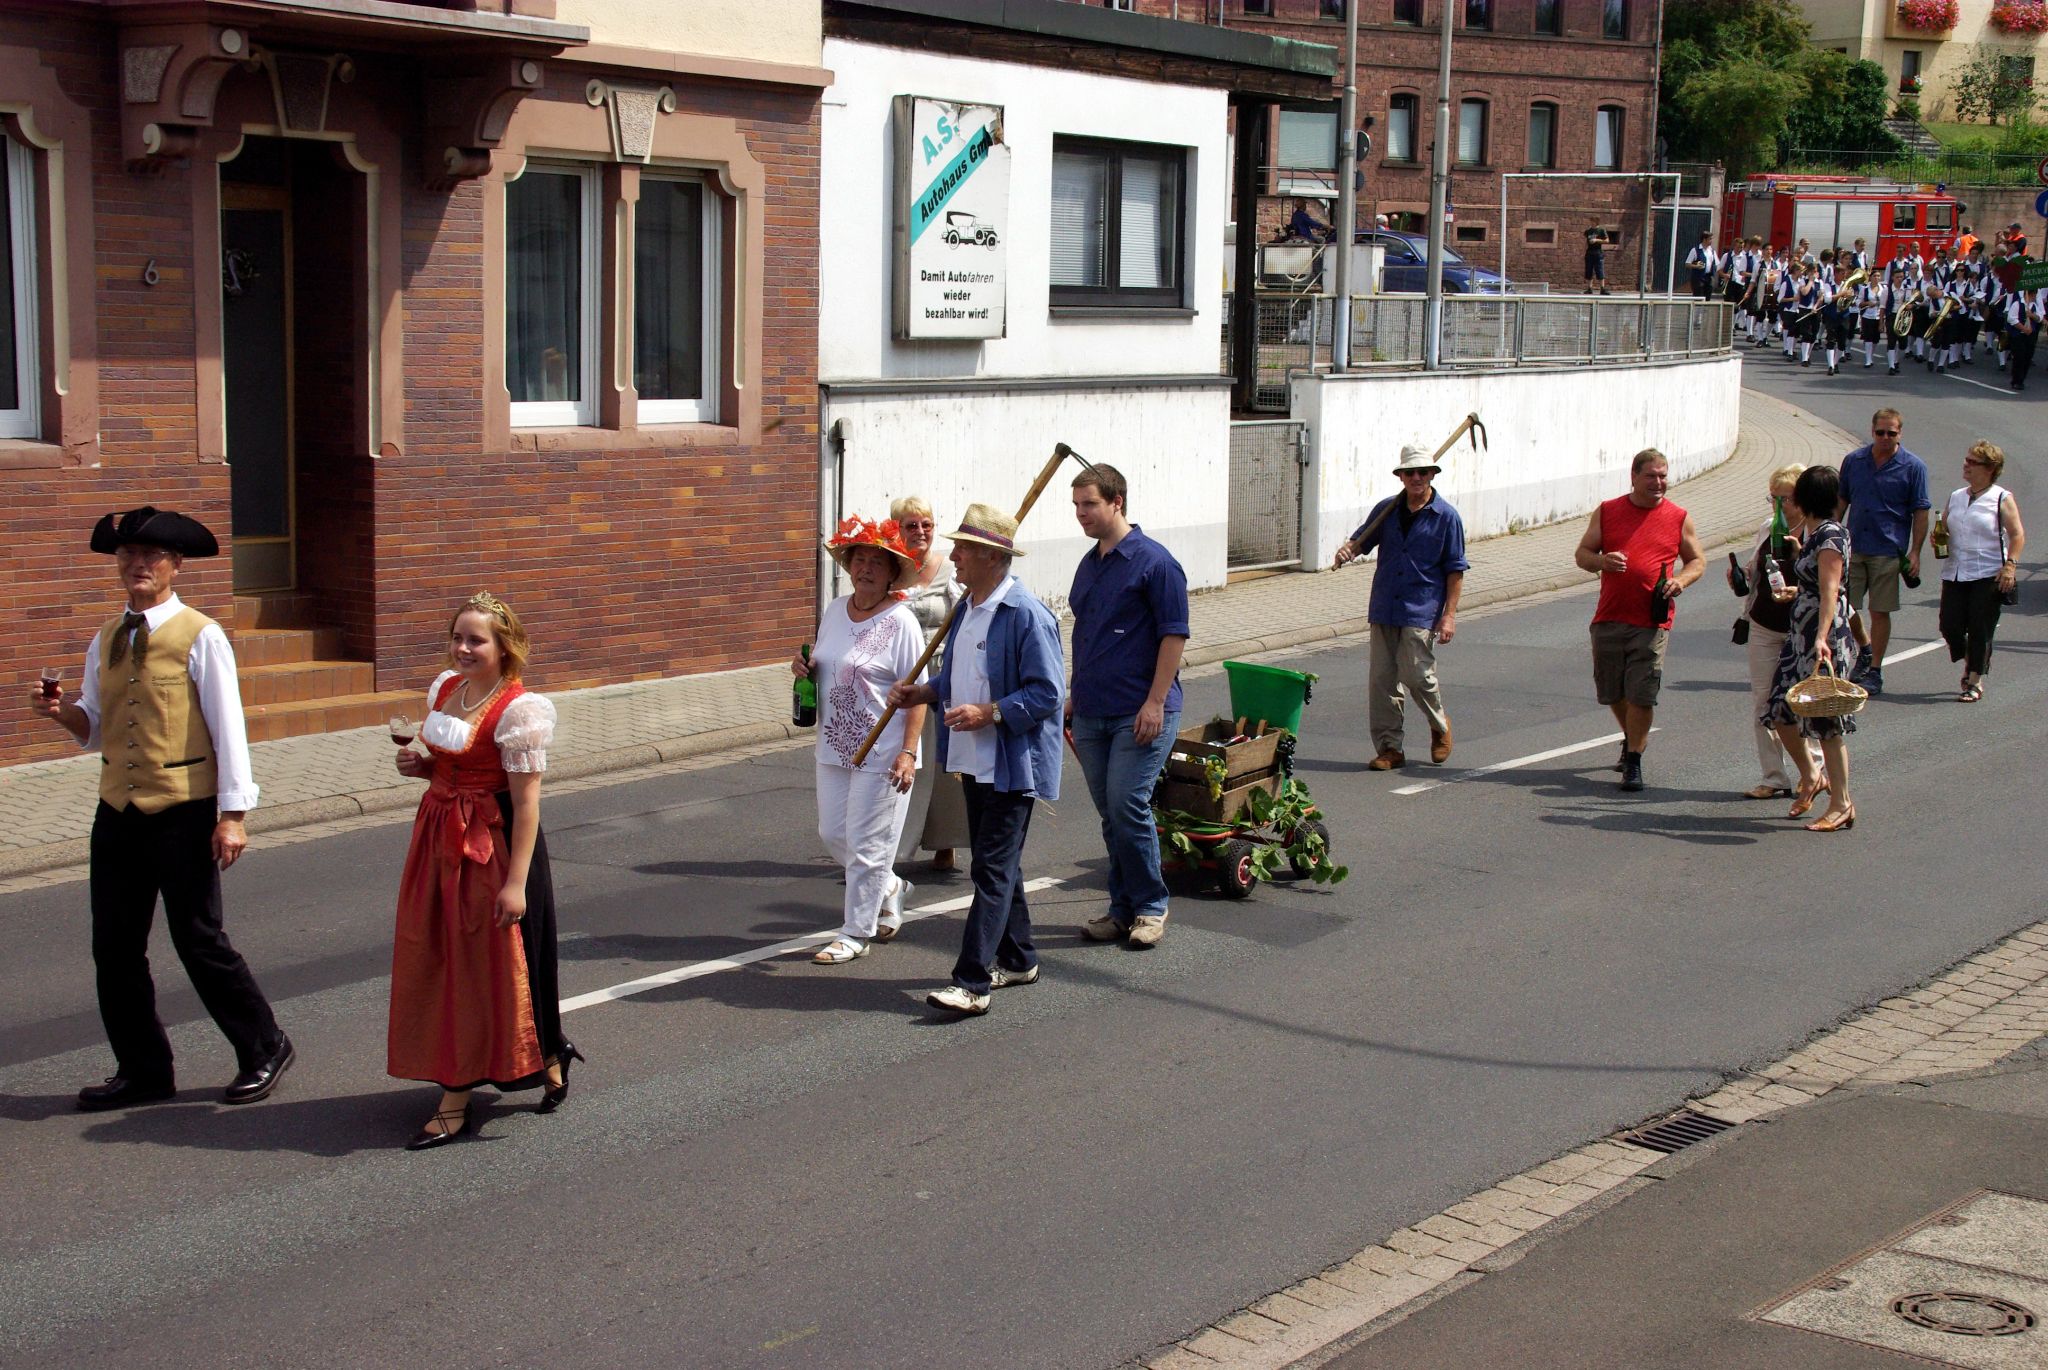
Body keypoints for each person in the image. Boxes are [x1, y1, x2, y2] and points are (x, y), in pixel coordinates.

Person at [32, 507, 293, 1112]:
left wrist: (234, 814)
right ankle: (144, 1069)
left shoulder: (200, 634)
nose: (138, 564)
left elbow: (229, 727)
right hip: (118, 810)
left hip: (184, 809)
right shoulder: (107, 635)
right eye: (128, 555)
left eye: (152, 556)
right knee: (115, 947)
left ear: (176, 565)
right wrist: (59, 713)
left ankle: (264, 1045)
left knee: (198, 938)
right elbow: (94, 726)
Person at [388, 592, 574, 1149]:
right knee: (439, 959)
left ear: (504, 647)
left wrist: (516, 884)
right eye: (459, 637)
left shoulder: (519, 711)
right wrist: (422, 768)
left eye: (477, 639)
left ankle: (456, 1097)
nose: (464, 648)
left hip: (489, 849)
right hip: (437, 839)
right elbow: (450, 768)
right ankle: (548, 1049)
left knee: (478, 969)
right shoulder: (447, 689)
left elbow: (527, 805)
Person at [887, 505, 1064, 1016]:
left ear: (990, 557)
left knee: (990, 869)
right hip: (972, 759)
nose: (954, 556)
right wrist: (924, 693)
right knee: (999, 864)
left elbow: (1048, 692)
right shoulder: (968, 606)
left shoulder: (1026, 614)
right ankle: (1020, 957)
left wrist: (991, 712)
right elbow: (960, 676)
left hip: (1012, 764)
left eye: (963, 548)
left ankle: (972, 984)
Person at [1067, 464, 1190, 950]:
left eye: (1089, 504)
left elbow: (1173, 634)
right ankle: (1121, 910)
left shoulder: (1156, 563)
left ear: (1117, 501)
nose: (1081, 514)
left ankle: (1151, 907)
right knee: (1109, 812)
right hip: (1094, 709)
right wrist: (1075, 695)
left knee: (1126, 803)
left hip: (1140, 710)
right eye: (1076, 505)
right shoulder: (1089, 562)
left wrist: (1156, 702)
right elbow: (1091, 635)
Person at [799, 517, 927, 965]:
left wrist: (909, 751)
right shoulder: (835, 611)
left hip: (885, 750)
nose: (866, 568)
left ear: (892, 573)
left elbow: (918, 695)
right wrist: (806, 671)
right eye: (859, 559)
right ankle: (890, 886)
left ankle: (855, 932)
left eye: (877, 562)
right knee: (834, 834)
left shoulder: (902, 623)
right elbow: (825, 663)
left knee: (869, 845)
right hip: (834, 746)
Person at [1573, 450, 1704, 792]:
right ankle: (1631, 737)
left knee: (1642, 695)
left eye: (1663, 476)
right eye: (1651, 476)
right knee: (1612, 692)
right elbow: (1582, 555)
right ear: (1633, 477)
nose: (1659, 482)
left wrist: (1681, 581)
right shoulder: (1608, 511)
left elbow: (1697, 561)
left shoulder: (1678, 517)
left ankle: (1634, 761)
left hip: (1652, 620)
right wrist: (1602, 561)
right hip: (1610, 616)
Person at [1334, 444, 1468, 770]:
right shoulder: (1388, 509)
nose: (1417, 478)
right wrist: (1348, 550)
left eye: (1423, 472)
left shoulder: (1446, 517)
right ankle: (1390, 748)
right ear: (1401, 476)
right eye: (1410, 473)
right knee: (1382, 681)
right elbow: (1361, 541)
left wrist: (1449, 616)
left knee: (1416, 674)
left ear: (1432, 475)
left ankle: (1439, 725)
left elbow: (1455, 570)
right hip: (1384, 605)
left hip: (1421, 607)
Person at [1762, 467, 1860, 834]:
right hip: (1800, 635)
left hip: (1822, 640)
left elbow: (1831, 590)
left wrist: (1821, 638)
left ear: (1803, 499)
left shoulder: (1830, 536)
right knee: (1780, 709)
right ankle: (1812, 776)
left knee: (1826, 723)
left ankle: (1842, 804)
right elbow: (1815, 584)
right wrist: (1797, 591)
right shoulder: (1816, 533)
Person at [1728, 466, 1822, 799]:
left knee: (1801, 701)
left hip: (1801, 627)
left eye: (1787, 499)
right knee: (1763, 701)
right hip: (1765, 622)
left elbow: (1825, 583)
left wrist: (1797, 559)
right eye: (1774, 498)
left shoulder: (1815, 532)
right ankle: (1773, 776)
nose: (1779, 506)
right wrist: (1741, 576)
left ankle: (1813, 768)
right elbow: (1758, 569)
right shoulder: (1769, 528)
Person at [890, 495, 969, 873]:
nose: (920, 531)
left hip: (940, 677)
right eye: (911, 525)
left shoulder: (948, 571)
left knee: (944, 766)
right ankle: (889, 845)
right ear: (897, 529)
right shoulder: (890, 570)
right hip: (902, 678)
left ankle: (947, 842)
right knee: (903, 759)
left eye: (927, 524)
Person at [1837, 408, 1930, 696]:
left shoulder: (1913, 467)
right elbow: (1841, 501)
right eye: (1881, 432)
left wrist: (1915, 552)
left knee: (1880, 611)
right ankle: (1863, 649)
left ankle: (1875, 669)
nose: (1886, 438)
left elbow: (1921, 511)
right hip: (1854, 546)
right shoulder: (1854, 461)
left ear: (1900, 433)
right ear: (1872, 430)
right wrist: (1828, 537)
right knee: (1844, 608)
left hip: (1888, 550)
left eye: (1892, 433)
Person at [1938, 442, 2026, 703]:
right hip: (1955, 571)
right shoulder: (1956, 496)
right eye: (1966, 460)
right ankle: (1974, 659)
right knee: (1949, 626)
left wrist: (2010, 565)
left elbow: (2017, 534)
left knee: (1980, 629)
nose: (1966, 465)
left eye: (1972, 462)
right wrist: (1938, 540)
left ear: (1990, 468)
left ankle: (1974, 679)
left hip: (1987, 574)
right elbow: (1943, 527)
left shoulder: (2001, 497)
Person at [1684, 232, 1716, 299]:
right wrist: (1697, 266)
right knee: (1698, 298)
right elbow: (1687, 264)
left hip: (1708, 278)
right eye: (1710, 239)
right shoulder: (1695, 250)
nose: (1711, 241)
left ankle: (1705, 309)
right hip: (1698, 278)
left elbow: (1716, 264)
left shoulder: (1712, 251)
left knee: (1707, 298)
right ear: (1704, 240)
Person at [1584, 221, 1610, 295]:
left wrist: (1596, 240)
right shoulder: (1588, 231)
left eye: (1593, 221)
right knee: (1589, 270)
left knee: (1599, 270)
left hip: (1598, 252)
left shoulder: (1601, 230)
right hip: (1589, 252)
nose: (1591, 222)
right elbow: (1586, 242)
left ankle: (1602, 289)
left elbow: (1607, 240)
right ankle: (1589, 288)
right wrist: (1584, 251)